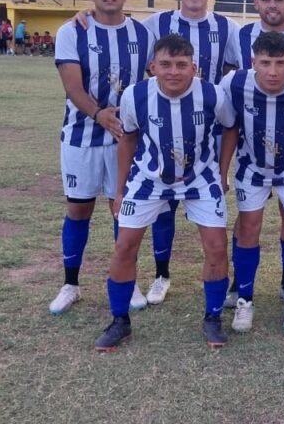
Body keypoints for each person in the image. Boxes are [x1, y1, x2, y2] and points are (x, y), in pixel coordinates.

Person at [94, 34, 236, 351]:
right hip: (148, 178)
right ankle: (119, 321)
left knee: (216, 247)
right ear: (153, 66)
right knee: (124, 246)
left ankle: (213, 317)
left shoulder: (212, 94)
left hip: (200, 178)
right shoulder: (135, 95)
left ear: (194, 68)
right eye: (166, 64)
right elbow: (128, 139)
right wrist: (120, 189)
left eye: (181, 64)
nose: (173, 71)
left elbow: (231, 127)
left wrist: (222, 171)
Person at [48, 0, 154, 316]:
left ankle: (127, 280)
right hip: (82, 136)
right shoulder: (71, 31)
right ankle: (70, 284)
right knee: (78, 209)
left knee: (122, 210)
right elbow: (72, 86)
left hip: (126, 139)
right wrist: (98, 114)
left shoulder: (143, 32)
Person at [218, 32, 284, 332]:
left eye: (281, 63)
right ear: (253, 62)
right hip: (251, 167)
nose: (273, 71)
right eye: (265, 63)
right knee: (248, 227)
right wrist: (221, 170)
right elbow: (224, 122)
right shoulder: (234, 83)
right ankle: (245, 300)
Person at [221, 0, 284, 306]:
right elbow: (229, 94)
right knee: (248, 221)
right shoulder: (239, 35)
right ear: (256, 2)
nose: (272, 5)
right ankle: (240, 283)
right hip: (252, 152)